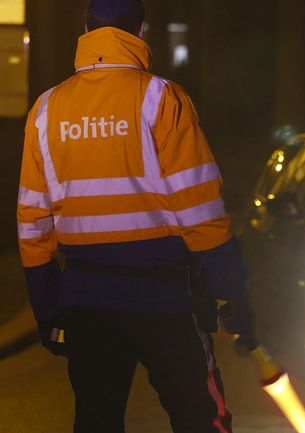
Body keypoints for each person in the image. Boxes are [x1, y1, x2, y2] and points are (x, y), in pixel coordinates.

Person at [16, 1, 254, 432]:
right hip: (167, 302)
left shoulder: (46, 110)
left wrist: (47, 307)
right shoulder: (162, 99)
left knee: (96, 421)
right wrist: (232, 290)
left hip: (85, 304)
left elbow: (33, 223)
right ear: (141, 31)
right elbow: (201, 211)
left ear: (86, 31)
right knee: (201, 419)